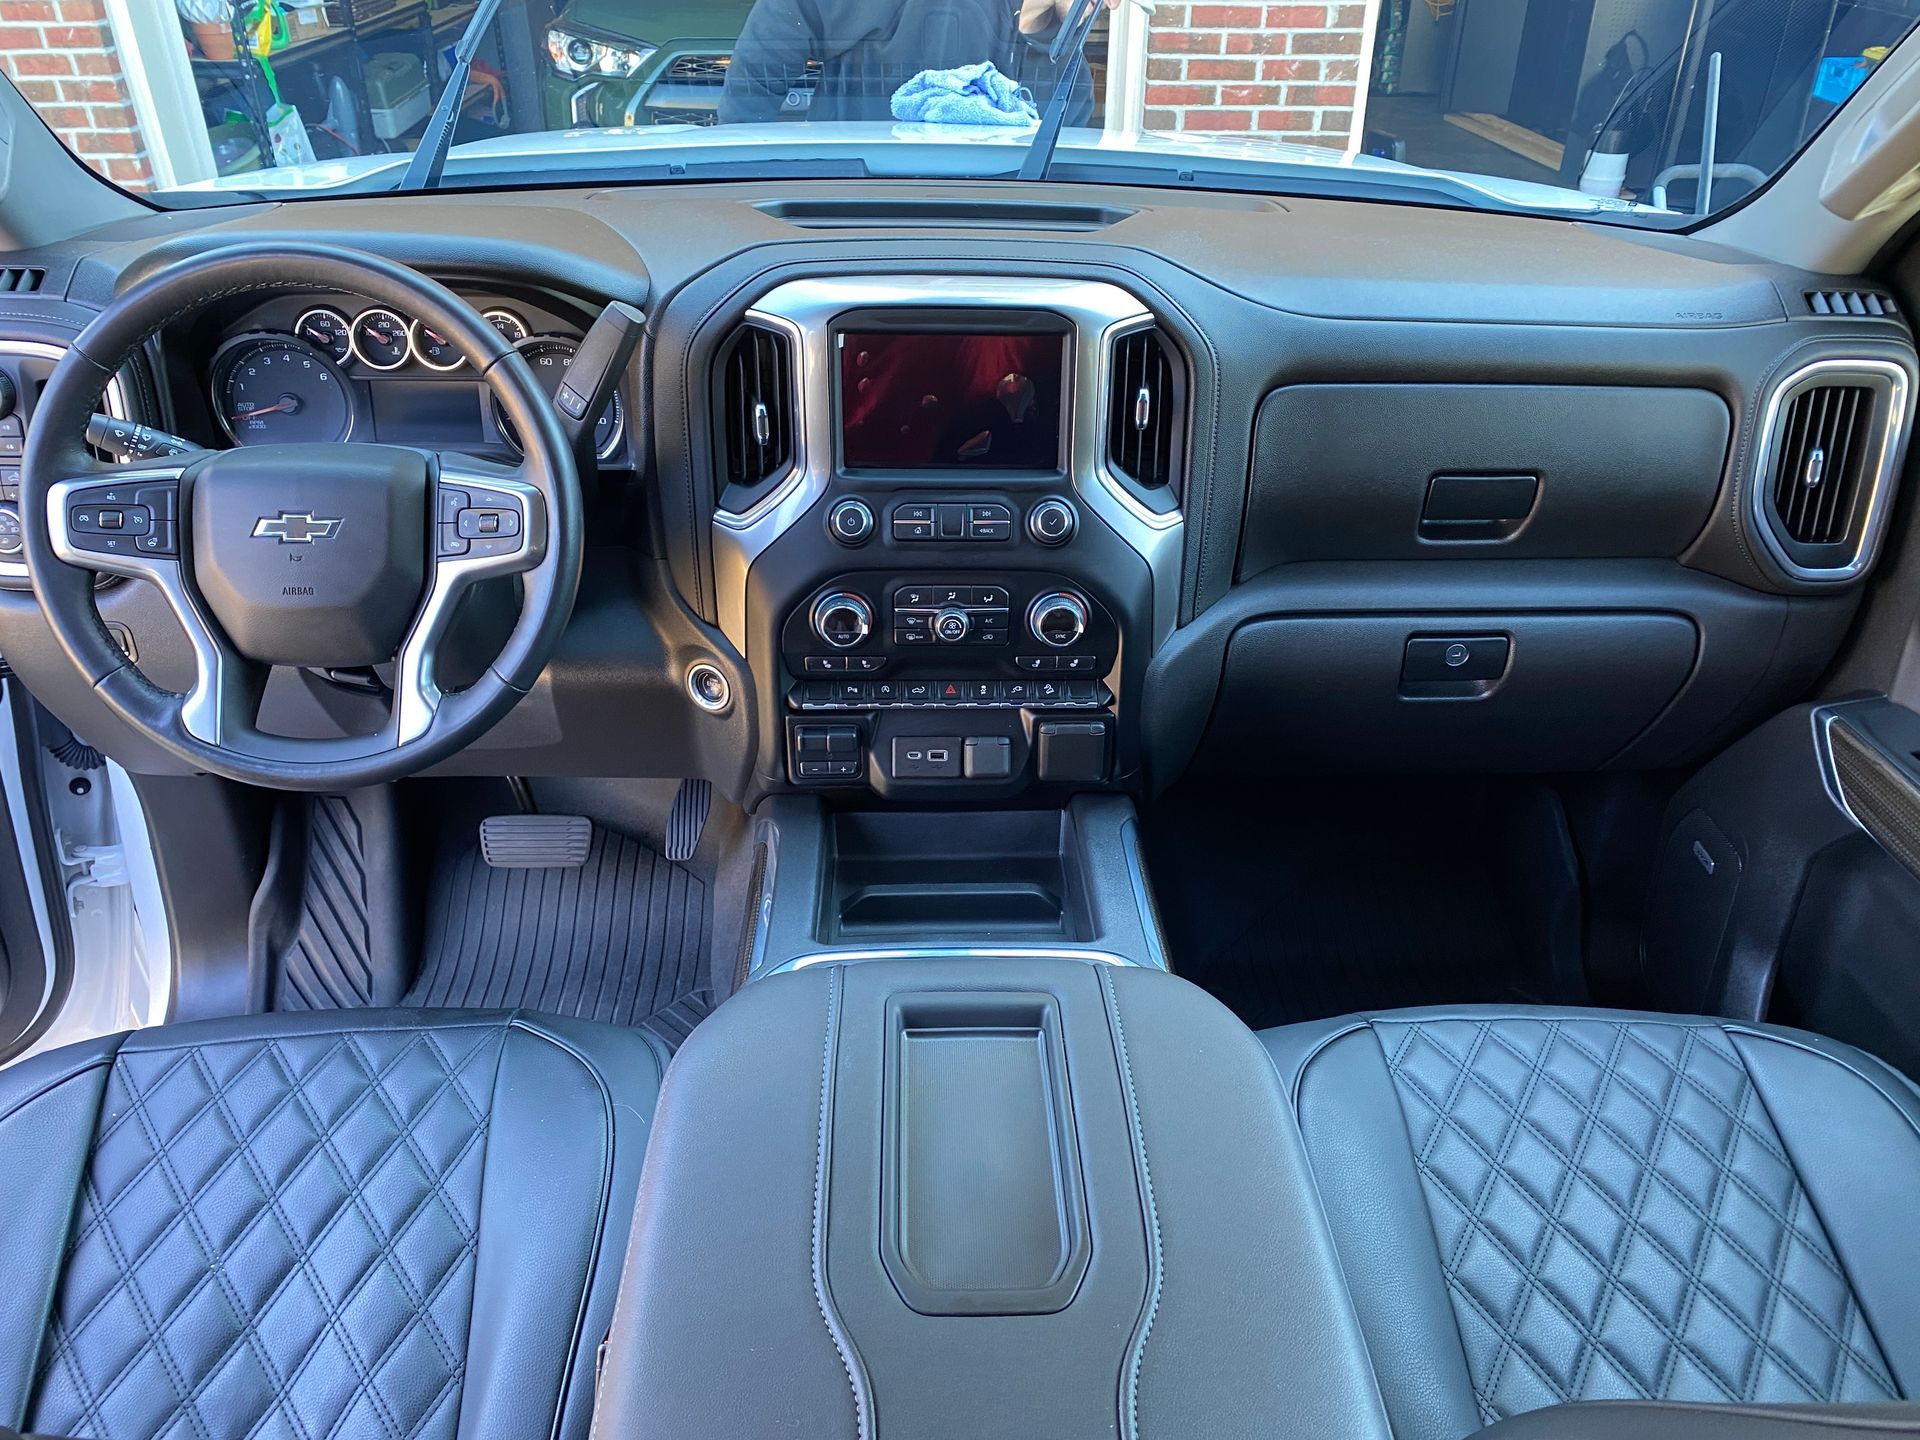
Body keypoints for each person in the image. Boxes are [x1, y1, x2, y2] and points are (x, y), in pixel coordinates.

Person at [718, 0, 1107, 126]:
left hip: (1003, 218)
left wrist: (1046, 24)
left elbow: (1063, 133)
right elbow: (755, 80)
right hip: (848, 205)